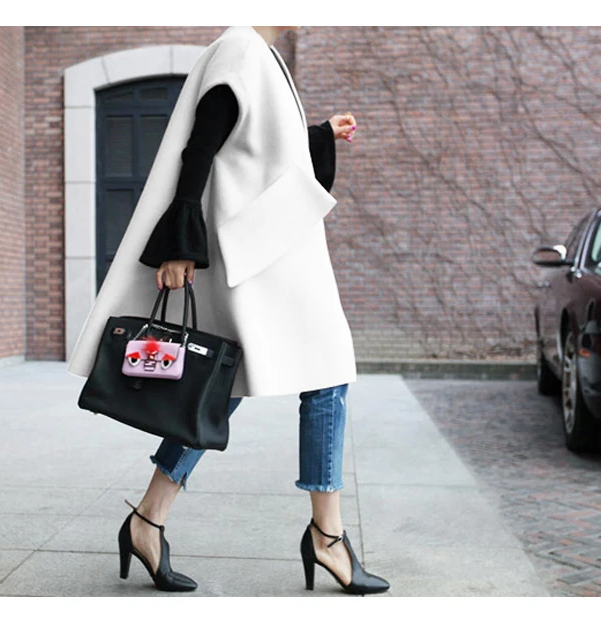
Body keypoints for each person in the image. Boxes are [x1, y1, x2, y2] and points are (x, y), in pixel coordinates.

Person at [67, 25, 389, 595]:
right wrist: (178, 243)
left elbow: (256, 147)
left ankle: (148, 520)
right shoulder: (241, 48)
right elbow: (200, 148)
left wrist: (319, 135)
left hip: (269, 246)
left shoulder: (260, 55)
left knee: (229, 384)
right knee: (320, 369)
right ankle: (326, 537)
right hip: (255, 251)